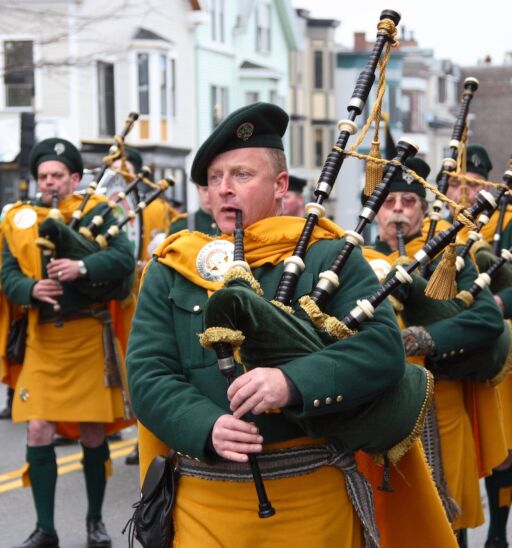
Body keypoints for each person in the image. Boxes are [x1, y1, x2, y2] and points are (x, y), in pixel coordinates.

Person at [126, 103, 458, 547]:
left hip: (310, 498)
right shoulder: (174, 266)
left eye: (242, 175)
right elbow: (149, 372)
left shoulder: (327, 256)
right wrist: (205, 426)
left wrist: (290, 382)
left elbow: (380, 349)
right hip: (203, 502)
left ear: (280, 185)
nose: (224, 190)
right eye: (214, 179)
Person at [1, 137, 136, 548]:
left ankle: (95, 522)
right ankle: (45, 529)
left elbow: (123, 260)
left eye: (58, 175)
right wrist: (30, 289)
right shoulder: (19, 220)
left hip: (87, 336)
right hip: (44, 338)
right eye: (43, 176)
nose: (50, 183)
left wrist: (81, 265)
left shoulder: (101, 212)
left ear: (75, 178)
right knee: (38, 430)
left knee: (92, 434)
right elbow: (6, 273)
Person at [373, 157, 507, 545]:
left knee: (448, 520)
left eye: (408, 201)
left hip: (442, 403)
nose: (398, 209)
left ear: (421, 208)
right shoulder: (354, 261)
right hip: (380, 408)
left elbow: (486, 320)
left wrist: (421, 339)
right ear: (377, 209)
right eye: (389, 201)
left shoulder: (450, 256)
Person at [447, 144, 512, 548]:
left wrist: (500, 303)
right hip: (451, 346)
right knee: (458, 449)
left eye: (474, 184)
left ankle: (497, 532)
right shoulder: (438, 225)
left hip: (502, 343)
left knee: (503, 444)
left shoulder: (507, 225)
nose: (465, 193)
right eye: (456, 183)